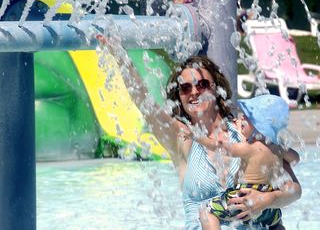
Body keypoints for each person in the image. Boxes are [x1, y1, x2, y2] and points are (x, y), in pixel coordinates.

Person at [96, 35, 301, 229]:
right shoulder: (182, 138)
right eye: (185, 88)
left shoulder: (247, 134)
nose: (194, 92)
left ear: (216, 88)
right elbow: (143, 101)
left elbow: (292, 190)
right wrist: (119, 55)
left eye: (202, 85)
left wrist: (267, 199)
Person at [198, 95, 300, 230]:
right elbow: (296, 158)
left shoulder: (248, 147)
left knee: (206, 210)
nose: (240, 119)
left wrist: (197, 136)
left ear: (259, 126)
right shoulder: (277, 150)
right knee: (276, 223)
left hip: (243, 198)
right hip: (269, 209)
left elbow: (220, 147)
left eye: (246, 117)